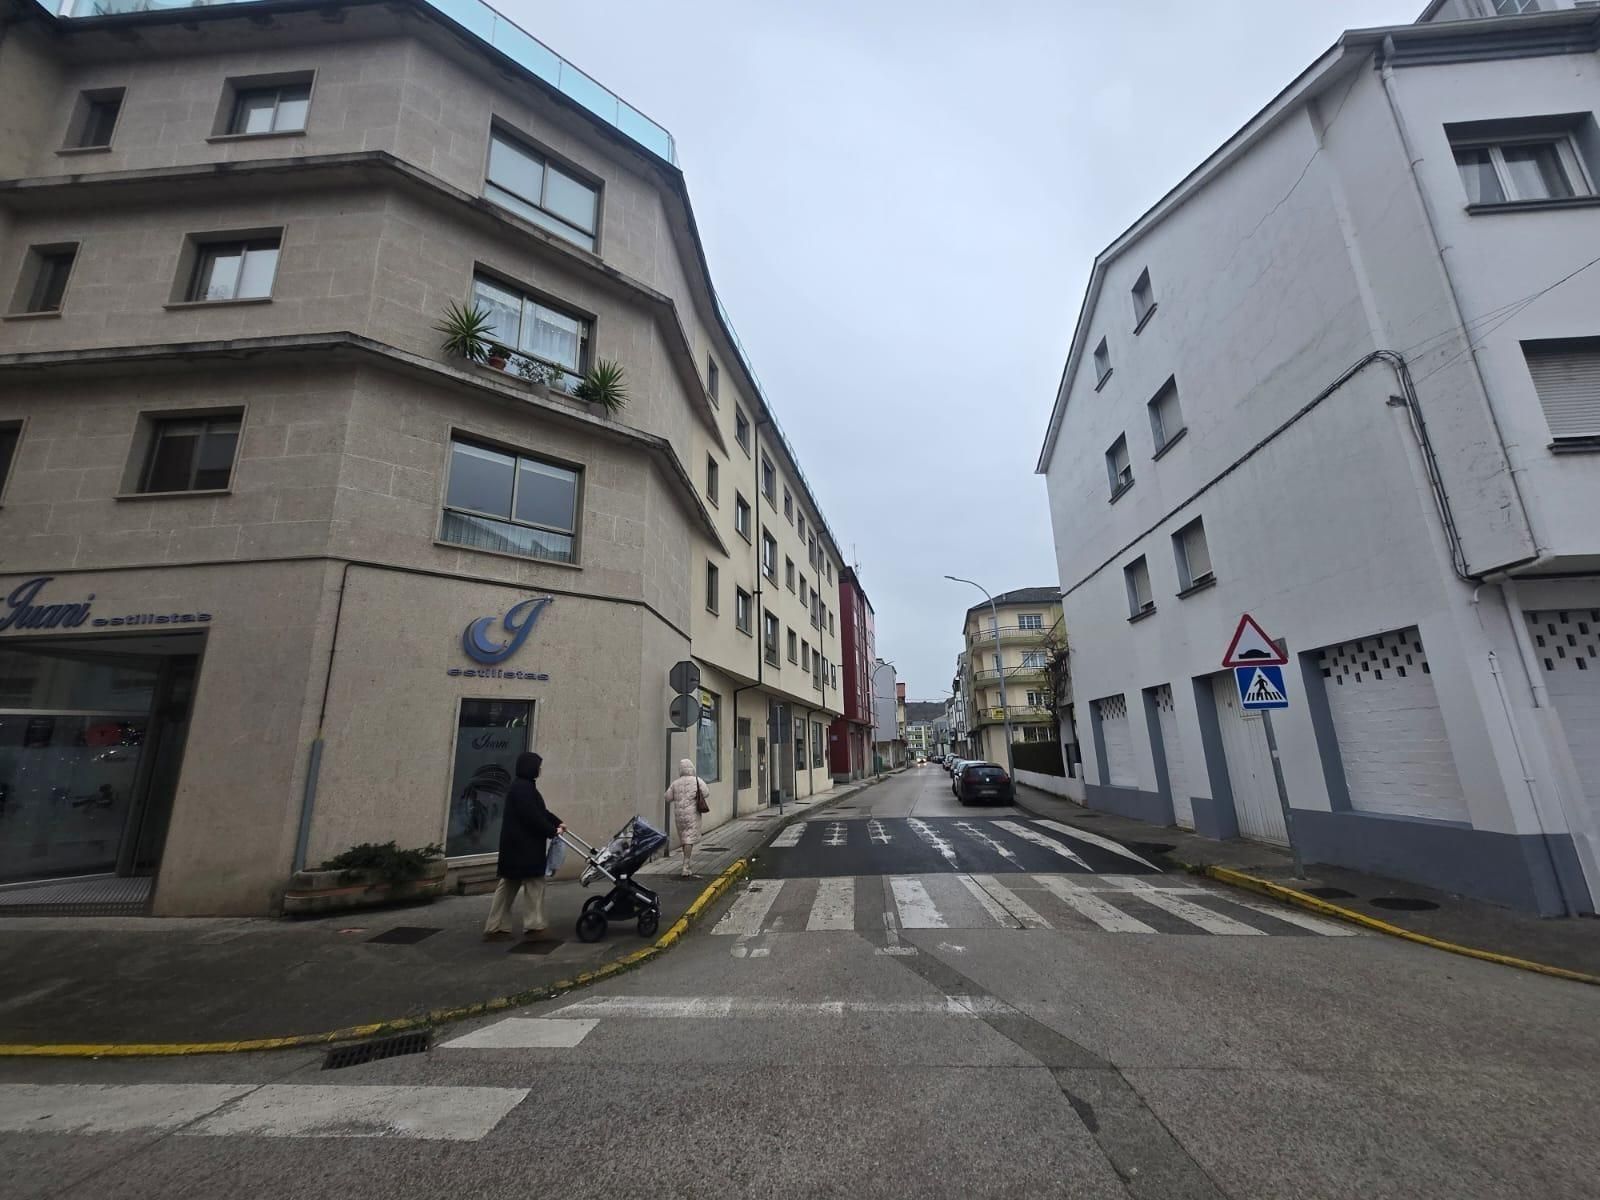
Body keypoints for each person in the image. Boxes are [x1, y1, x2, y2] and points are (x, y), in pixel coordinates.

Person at [483, 751, 564, 942]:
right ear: (531, 767)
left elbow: (540, 812)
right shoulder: (524, 789)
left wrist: (557, 822)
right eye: (538, 766)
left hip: (515, 848)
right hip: (525, 848)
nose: (540, 769)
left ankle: (496, 926)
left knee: (508, 885)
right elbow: (533, 817)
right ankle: (535, 926)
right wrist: (552, 830)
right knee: (534, 884)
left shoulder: (523, 787)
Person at [665, 757, 708, 879]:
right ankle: (686, 865)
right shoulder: (697, 781)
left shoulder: (675, 783)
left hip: (679, 816)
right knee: (689, 839)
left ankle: (686, 864)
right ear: (691, 768)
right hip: (692, 814)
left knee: (684, 838)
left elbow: (667, 797)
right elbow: (706, 792)